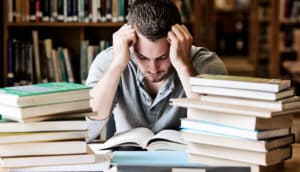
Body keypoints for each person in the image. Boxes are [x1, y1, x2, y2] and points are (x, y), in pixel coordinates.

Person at [86, 0, 227, 142]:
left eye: (163, 57)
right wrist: (117, 65)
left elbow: (218, 131)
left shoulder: (208, 65)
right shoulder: (109, 61)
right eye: (142, 57)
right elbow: (88, 130)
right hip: (127, 158)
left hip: (186, 160)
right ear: (130, 43)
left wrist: (184, 66)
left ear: (179, 40)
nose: (153, 69)